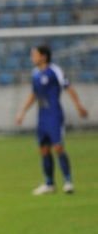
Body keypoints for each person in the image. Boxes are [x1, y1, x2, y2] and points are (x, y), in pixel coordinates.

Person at [15, 44, 88, 195]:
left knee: (58, 147)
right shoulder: (35, 73)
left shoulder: (55, 71)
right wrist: (22, 112)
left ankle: (68, 182)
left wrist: (79, 106)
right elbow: (33, 94)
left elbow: (68, 87)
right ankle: (49, 183)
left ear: (43, 56)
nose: (32, 58)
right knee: (43, 149)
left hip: (54, 114)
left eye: (34, 55)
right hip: (42, 115)